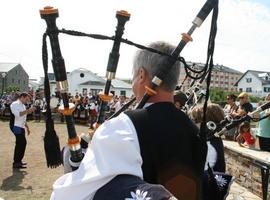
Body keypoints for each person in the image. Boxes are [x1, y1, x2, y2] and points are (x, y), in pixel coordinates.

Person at [51, 41, 206, 200]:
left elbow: (72, 195)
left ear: (141, 75)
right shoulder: (195, 131)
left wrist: (77, 164)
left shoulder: (122, 128)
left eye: (133, 75)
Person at [10, 92, 36, 169]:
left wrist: (27, 127)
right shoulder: (14, 104)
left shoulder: (23, 106)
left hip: (21, 126)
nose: (27, 101)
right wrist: (28, 110)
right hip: (15, 126)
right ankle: (16, 162)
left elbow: (24, 118)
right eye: (26, 99)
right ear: (22, 97)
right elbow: (18, 114)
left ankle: (18, 161)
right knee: (21, 143)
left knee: (22, 143)